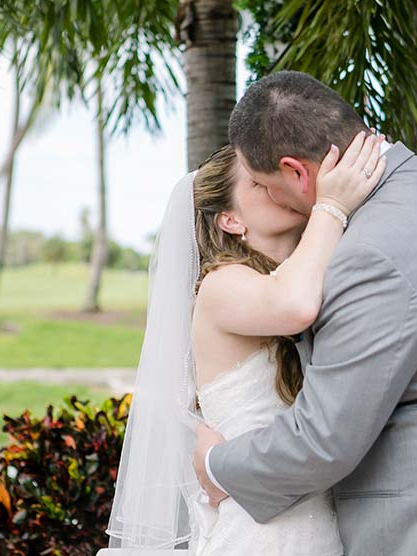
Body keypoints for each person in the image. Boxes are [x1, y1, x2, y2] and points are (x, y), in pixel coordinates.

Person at [193, 71, 417, 556]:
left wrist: (217, 466)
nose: (270, 197)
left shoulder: (371, 252)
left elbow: (325, 438)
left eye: (267, 185)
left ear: (297, 173)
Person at [104, 130, 385, 555]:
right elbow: (295, 305)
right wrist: (332, 203)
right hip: (260, 531)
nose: (275, 183)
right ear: (230, 220)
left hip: (315, 523)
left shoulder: (302, 274)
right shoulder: (221, 285)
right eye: (256, 182)